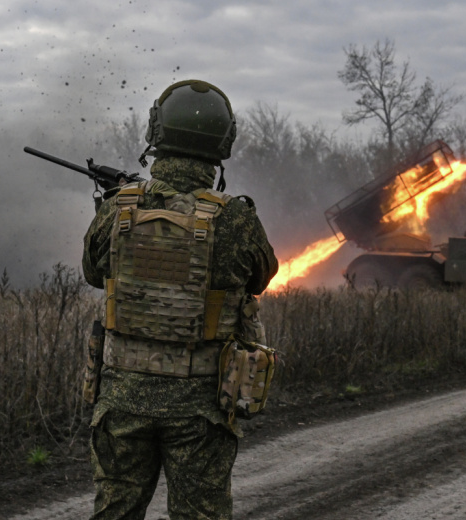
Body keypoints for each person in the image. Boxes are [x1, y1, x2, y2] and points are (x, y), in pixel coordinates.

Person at [82, 79, 278, 520]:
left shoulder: (119, 208)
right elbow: (263, 277)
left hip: (121, 403)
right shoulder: (235, 220)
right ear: (222, 144)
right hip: (199, 412)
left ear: (156, 134)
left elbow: (94, 273)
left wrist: (113, 206)